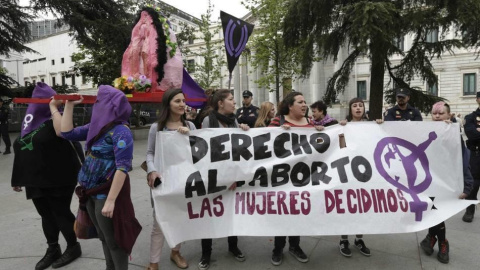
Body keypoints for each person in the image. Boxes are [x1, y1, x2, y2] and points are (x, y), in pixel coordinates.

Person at [61, 85, 141, 270]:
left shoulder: (121, 131)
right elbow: (67, 133)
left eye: (98, 101)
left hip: (106, 194)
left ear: (109, 105)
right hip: (89, 192)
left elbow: (122, 167)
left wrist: (111, 201)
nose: (95, 105)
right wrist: (69, 105)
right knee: (103, 237)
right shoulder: (96, 127)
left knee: (114, 240)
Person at [11, 82, 83, 270]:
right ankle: (53, 249)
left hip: (59, 176)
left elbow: (63, 133)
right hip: (34, 178)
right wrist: (17, 178)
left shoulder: (57, 118)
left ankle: (73, 246)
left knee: (60, 213)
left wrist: (55, 108)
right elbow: (21, 149)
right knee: (45, 214)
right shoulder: (29, 123)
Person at [268, 91, 322, 266]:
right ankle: (278, 248)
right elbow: (263, 142)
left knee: (297, 212)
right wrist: (276, 132)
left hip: (303, 177)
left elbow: (320, 146)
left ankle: (294, 246)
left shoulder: (310, 122)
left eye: (305, 101)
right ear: (290, 106)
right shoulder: (278, 121)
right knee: (282, 212)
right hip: (282, 177)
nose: (305, 105)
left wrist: (321, 132)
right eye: (300, 102)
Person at [199, 89, 249, 270]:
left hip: (231, 175)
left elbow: (237, 149)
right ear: (220, 103)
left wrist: (243, 130)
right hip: (212, 176)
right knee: (209, 214)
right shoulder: (208, 120)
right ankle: (206, 253)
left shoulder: (234, 121)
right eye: (230, 99)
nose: (235, 103)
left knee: (231, 212)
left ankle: (233, 246)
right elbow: (203, 149)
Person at [146, 88, 194, 270]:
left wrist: (189, 137)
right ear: (168, 104)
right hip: (162, 183)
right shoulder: (156, 127)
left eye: (183, 100)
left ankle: (175, 252)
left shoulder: (191, 127)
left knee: (179, 219)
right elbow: (150, 153)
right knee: (158, 224)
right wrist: (152, 171)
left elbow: (198, 154)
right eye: (177, 101)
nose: (182, 104)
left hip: (183, 183)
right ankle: (153, 262)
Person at [420, 101, 473, 263]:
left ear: (449, 115)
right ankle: (433, 239)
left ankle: (439, 241)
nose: (437, 116)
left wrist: (468, 185)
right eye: (434, 113)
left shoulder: (454, 135)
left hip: (446, 184)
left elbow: (463, 161)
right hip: (428, 183)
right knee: (433, 211)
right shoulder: (424, 132)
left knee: (438, 212)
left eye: (441, 113)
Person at [338, 97, 380, 257]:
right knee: (347, 206)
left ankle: (359, 238)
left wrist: (381, 126)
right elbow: (341, 147)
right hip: (348, 172)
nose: (358, 108)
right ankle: (343, 239)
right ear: (350, 109)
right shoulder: (343, 126)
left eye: (360, 106)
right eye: (354, 106)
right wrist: (341, 131)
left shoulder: (372, 126)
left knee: (363, 207)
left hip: (366, 173)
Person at [462, 92, 480, 222]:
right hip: (476, 154)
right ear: (478, 100)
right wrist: (476, 132)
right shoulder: (470, 117)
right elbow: (472, 134)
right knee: (474, 184)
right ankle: (470, 209)